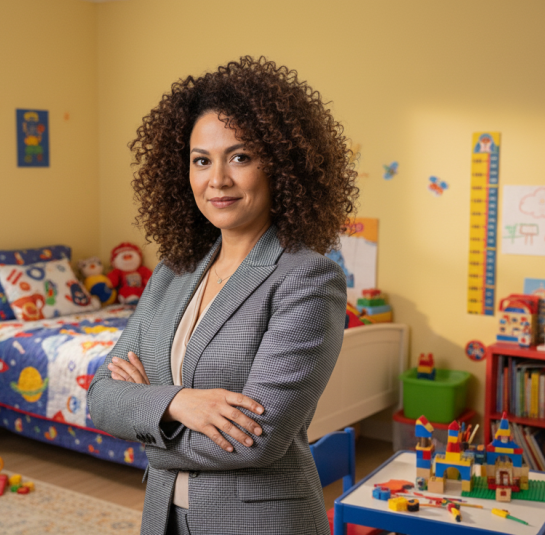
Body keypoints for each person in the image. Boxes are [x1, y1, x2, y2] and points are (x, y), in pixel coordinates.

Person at [87, 56, 359, 535]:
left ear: (280, 165)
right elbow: (102, 397)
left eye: (240, 157)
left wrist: (144, 414)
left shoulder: (308, 279)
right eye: (201, 160)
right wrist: (177, 403)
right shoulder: (174, 271)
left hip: (259, 522)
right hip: (163, 518)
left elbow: (257, 440)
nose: (218, 180)